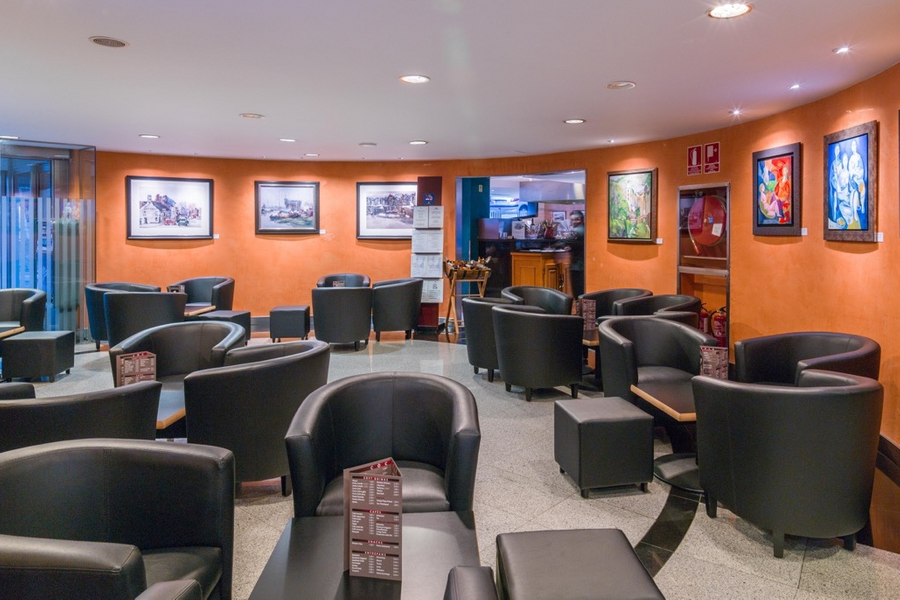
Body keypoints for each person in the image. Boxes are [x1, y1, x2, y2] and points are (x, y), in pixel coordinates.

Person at [567, 210, 585, 298]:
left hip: (577, 265)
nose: (572, 222)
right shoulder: (587, 229)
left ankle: (578, 306)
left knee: (577, 291)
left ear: (578, 220)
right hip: (584, 265)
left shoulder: (577, 231)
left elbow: (566, 242)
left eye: (573, 220)